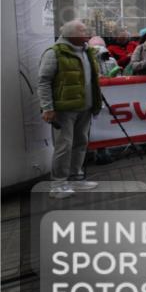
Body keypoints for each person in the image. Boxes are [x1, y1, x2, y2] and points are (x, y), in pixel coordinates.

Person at [37, 20, 103, 198]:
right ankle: (58, 184)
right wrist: (47, 107)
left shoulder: (86, 50)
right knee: (64, 146)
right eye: (83, 30)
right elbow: (44, 81)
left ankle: (76, 178)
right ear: (71, 34)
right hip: (64, 110)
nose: (87, 32)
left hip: (85, 107)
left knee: (80, 143)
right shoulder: (54, 53)